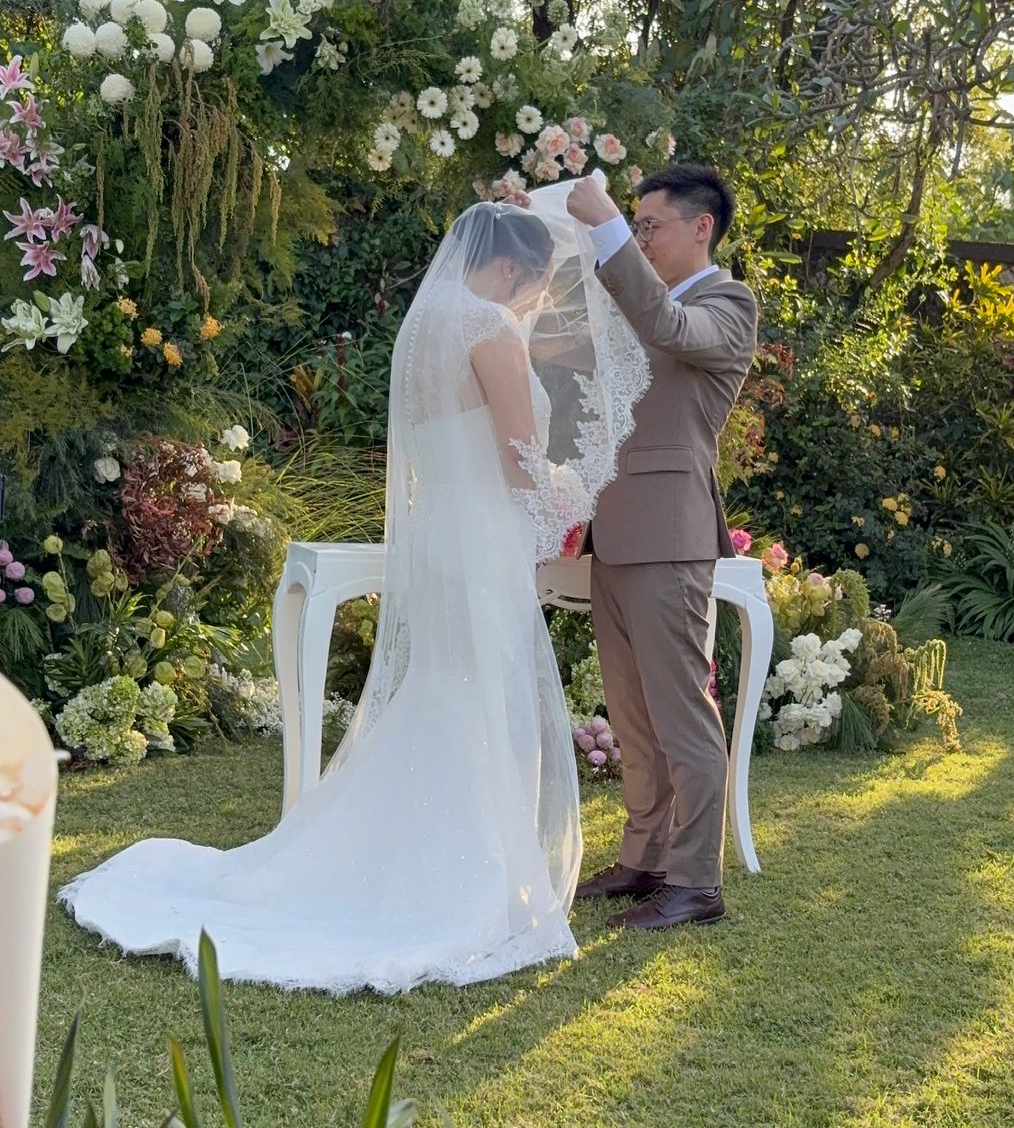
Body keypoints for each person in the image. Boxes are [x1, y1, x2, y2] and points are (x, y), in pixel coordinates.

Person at [60, 192, 649, 993]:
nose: (535, 304)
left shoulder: (425, 327)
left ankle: (415, 852)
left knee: (446, 687)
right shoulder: (490, 330)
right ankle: (465, 877)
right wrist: (573, 491)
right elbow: (519, 458)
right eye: (536, 287)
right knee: (483, 693)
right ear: (509, 267)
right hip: (479, 538)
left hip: (440, 532)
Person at [566, 162, 758, 929]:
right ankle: (645, 860)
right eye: (634, 226)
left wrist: (608, 224)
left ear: (700, 227)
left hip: (671, 535)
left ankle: (694, 882)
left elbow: (667, 330)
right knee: (633, 715)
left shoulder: (726, 304)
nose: (640, 238)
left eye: (650, 226)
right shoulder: (639, 299)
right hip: (613, 532)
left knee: (682, 714)